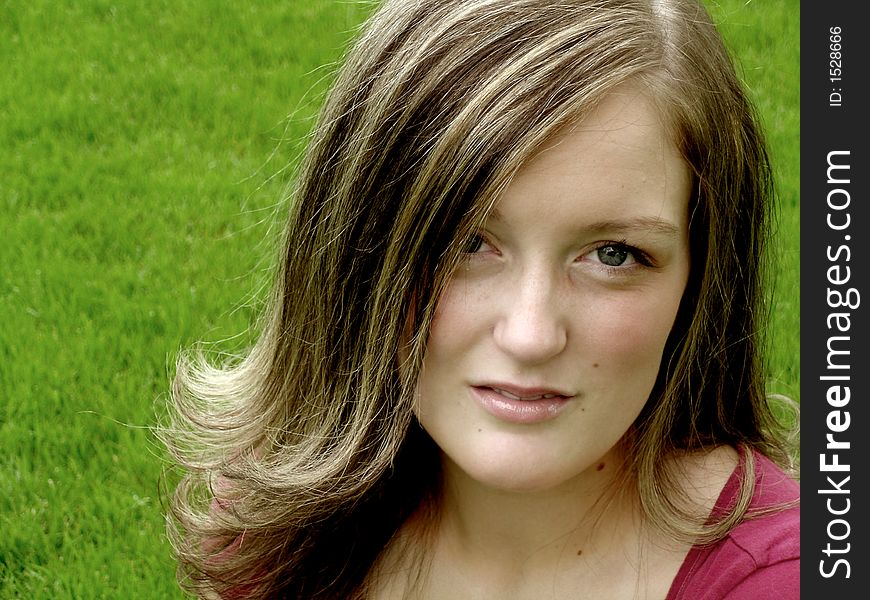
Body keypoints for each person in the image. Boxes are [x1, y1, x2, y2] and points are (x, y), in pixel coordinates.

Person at [161, 0, 799, 598]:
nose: (530, 335)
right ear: (357, 253)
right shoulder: (277, 523)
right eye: (467, 242)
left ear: (701, 281)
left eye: (613, 254)